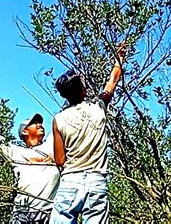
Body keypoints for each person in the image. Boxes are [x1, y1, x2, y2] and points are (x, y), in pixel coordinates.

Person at [49, 45, 125, 223]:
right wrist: (119, 58)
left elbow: (60, 160)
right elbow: (113, 81)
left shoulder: (58, 119)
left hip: (70, 181)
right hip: (96, 181)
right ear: (83, 90)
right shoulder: (99, 107)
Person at [0, 94, 60, 223]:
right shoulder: (16, 152)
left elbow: (63, 116)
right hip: (22, 213)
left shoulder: (51, 146)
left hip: (48, 213)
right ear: (24, 131)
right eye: (34, 123)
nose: (39, 125)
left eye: (40, 123)